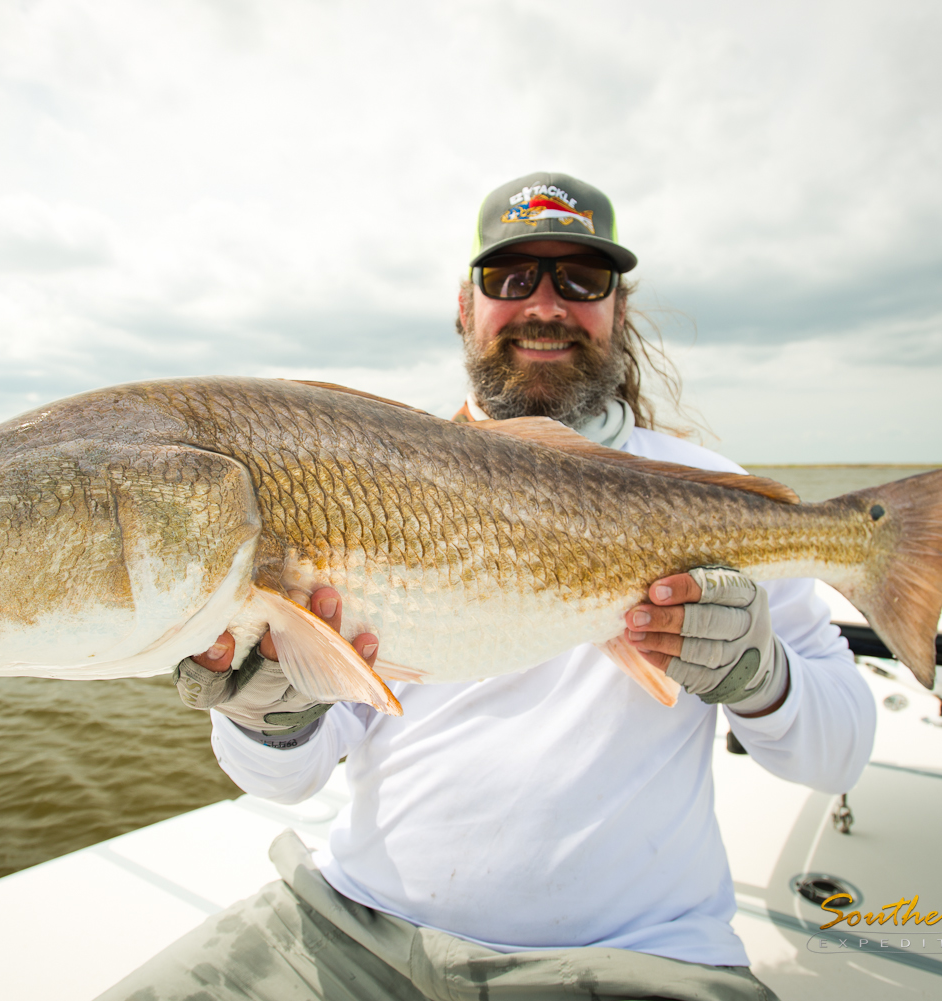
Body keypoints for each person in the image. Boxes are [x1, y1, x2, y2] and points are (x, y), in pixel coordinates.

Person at [109, 173, 876, 1001]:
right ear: (465, 307)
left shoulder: (714, 493)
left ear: (617, 307)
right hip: (352, 927)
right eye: (510, 279)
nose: (544, 303)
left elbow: (841, 751)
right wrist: (266, 714)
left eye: (581, 279)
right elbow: (288, 781)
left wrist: (762, 675)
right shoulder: (358, 472)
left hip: (639, 960)